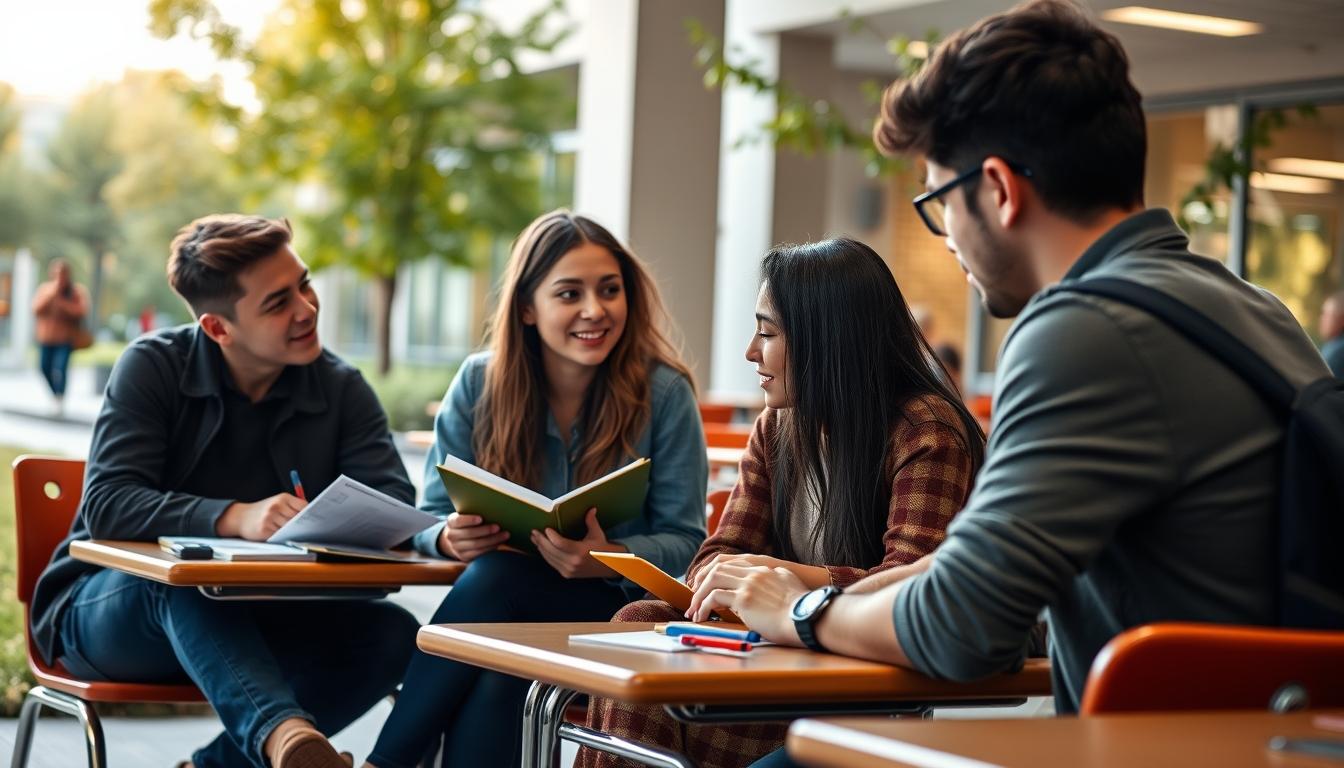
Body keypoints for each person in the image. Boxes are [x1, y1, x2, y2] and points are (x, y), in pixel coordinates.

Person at [680, 3, 1333, 765]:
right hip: (1275, 738)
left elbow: (961, 628)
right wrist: (833, 597)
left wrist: (800, 610)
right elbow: (967, 565)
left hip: (1168, 747)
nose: (947, 236)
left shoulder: (1082, 331)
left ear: (996, 189)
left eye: (937, 205)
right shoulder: (1244, 307)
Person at [576, 238, 985, 768]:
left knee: (650, 704)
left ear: (827, 341)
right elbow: (718, 554)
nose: (751, 351)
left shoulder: (924, 428)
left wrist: (781, 579)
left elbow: (913, 585)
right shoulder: (777, 427)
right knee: (638, 618)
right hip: (777, 650)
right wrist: (740, 581)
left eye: (768, 333)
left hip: (860, 673)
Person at [29, 215, 420, 768]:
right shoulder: (152, 367)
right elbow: (108, 503)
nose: (307, 308)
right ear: (218, 328)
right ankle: (287, 744)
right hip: (114, 616)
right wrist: (236, 517)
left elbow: (391, 504)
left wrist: (341, 526)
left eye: (304, 284)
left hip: (264, 614)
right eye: (277, 302)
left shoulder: (341, 387)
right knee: (182, 574)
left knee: (394, 634)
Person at [363, 210, 708, 768]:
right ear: (527, 307)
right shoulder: (479, 383)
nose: (595, 310)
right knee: (502, 675)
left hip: (617, 615)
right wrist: (450, 539)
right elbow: (427, 516)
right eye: (569, 293)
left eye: (610, 290)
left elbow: (689, 541)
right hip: (504, 612)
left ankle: (389, 761)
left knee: (499, 581)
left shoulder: (665, 393)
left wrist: (610, 559)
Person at [32, 258, 88, 413]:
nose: (60, 276)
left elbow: (81, 312)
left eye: (63, 273)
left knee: (61, 368)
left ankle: (60, 397)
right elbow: (36, 309)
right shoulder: (45, 289)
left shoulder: (76, 291)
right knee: (43, 367)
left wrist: (63, 303)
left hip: (65, 339)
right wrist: (52, 295)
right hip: (46, 338)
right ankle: (54, 394)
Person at [1318, 290, 1344, 376]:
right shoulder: (1332, 345)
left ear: (1342, 318)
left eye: (1327, 314)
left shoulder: (1337, 352)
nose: (1322, 319)